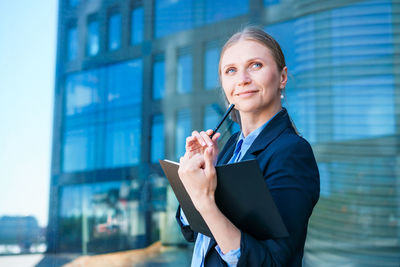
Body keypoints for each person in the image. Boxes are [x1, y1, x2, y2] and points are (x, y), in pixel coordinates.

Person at [175, 26, 320, 267]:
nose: (242, 80)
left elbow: (272, 262)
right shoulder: (230, 148)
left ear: (282, 77)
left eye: (256, 65)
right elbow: (193, 231)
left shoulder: (292, 151)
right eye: (231, 70)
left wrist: (204, 200)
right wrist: (192, 182)